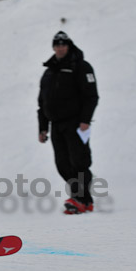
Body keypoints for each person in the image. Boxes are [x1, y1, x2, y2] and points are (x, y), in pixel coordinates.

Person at [37, 31, 99, 214]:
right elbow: (42, 103)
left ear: (69, 46)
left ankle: (80, 199)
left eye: (63, 44)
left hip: (76, 123)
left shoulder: (80, 66)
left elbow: (91, 96)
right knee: (62, 164)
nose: (60, 47)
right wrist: (42, 128)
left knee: (79, 162)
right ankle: (83, 200)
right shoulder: (49, 72)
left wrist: (85, 120)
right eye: (57, 44)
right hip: (56, 124)